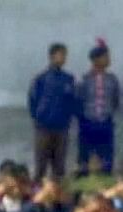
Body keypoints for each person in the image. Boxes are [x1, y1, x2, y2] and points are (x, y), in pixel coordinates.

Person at [28, 44, 80, 184]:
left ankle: (57, 200)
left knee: (59, 167)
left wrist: (68, 118)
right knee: (40, 166)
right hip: (43, 128)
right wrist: (39, 118)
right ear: (51, 56)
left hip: (62, 128)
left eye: (65, 55)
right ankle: (37, 197)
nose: (63, 58)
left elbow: (73, 101)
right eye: (60, 54)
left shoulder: (68, 79)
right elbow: (32, 101)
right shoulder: (41, 79)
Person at [73, 42, 123, 179]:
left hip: (105, 123)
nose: (108, 60)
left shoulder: (112, 79)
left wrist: (107, 115)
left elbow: (116, 100)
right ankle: (81, 192)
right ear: (95, 60)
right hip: (87, 123)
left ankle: (105, 189)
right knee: (84, 159)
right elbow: (77, 101)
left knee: (106, 159)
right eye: (105, 57)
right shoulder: (84, 79)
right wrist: (83, 119)